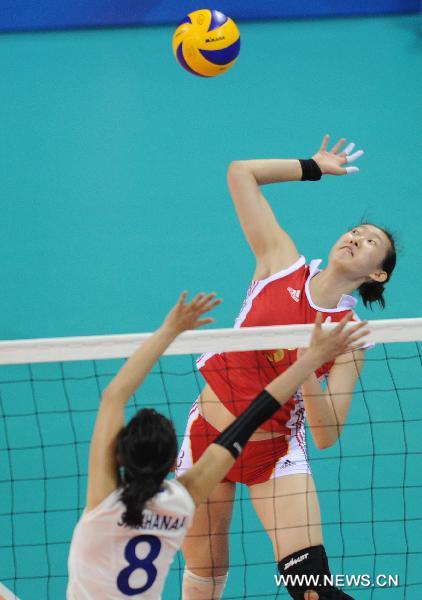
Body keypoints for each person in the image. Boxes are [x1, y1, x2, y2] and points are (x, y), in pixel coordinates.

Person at [178, 135, 397, 600]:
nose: (357, 238)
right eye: (356, 232)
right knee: (204, 568)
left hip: (273, 453)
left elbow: (325, 433)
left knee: (313, 589)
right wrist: (312, 166)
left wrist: (308, 364)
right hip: (207, 438)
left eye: (371, 242)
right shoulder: (279, 265)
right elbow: (241, 172)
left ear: (377, 273)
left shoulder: (349, 336)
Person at [66, 290, 368, 599]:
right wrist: (310, 362)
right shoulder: (180, 502)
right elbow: (254, 414)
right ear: (173, 460)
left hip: (274, 458)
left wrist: (168, 330)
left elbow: (112, 396)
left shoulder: (104, 503)